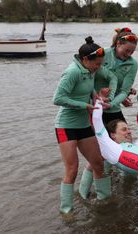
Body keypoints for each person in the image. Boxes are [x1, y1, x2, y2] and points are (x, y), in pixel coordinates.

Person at [79, 27, 138, 199]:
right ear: (117, 43)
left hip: (113, 107)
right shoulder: (103, 53)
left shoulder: (132, 64)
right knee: (97, 153)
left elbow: (125, 89)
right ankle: (85, 193)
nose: (129, 54)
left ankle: (127, 185)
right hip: (94, 108)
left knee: (125, 143)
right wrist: (96, 98)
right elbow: (86, 76)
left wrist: (112, 102)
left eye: (132, 51)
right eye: (127, 50)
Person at [53, 36, 111, 214]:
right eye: (97, 64)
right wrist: (84, 106)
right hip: (66, 127)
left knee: (98, 163)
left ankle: (104, 202)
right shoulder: (72, 72)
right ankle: (67, 211)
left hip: (83, 126)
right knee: (72, 169)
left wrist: (97, 98)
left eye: (101, 64)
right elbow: (58, 99)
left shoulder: (89, 71)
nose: (98, 68)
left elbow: (88, 89)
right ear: (85, 60)